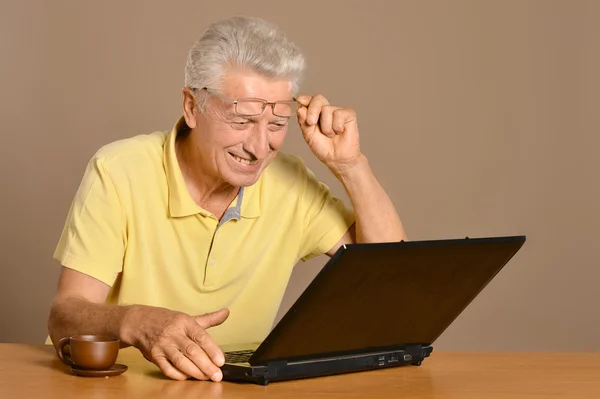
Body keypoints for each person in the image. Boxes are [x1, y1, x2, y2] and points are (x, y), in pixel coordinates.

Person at [47, 16, 406, 382]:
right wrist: (137, 321)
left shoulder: (290, 182)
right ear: (191, 107)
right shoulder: (119, 170)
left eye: (277, 124)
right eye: (242, 120)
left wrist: (349, 165)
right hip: (114, 388)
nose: (259, 146)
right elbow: (65, 315)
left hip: (234, 390)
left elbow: (390, 277)